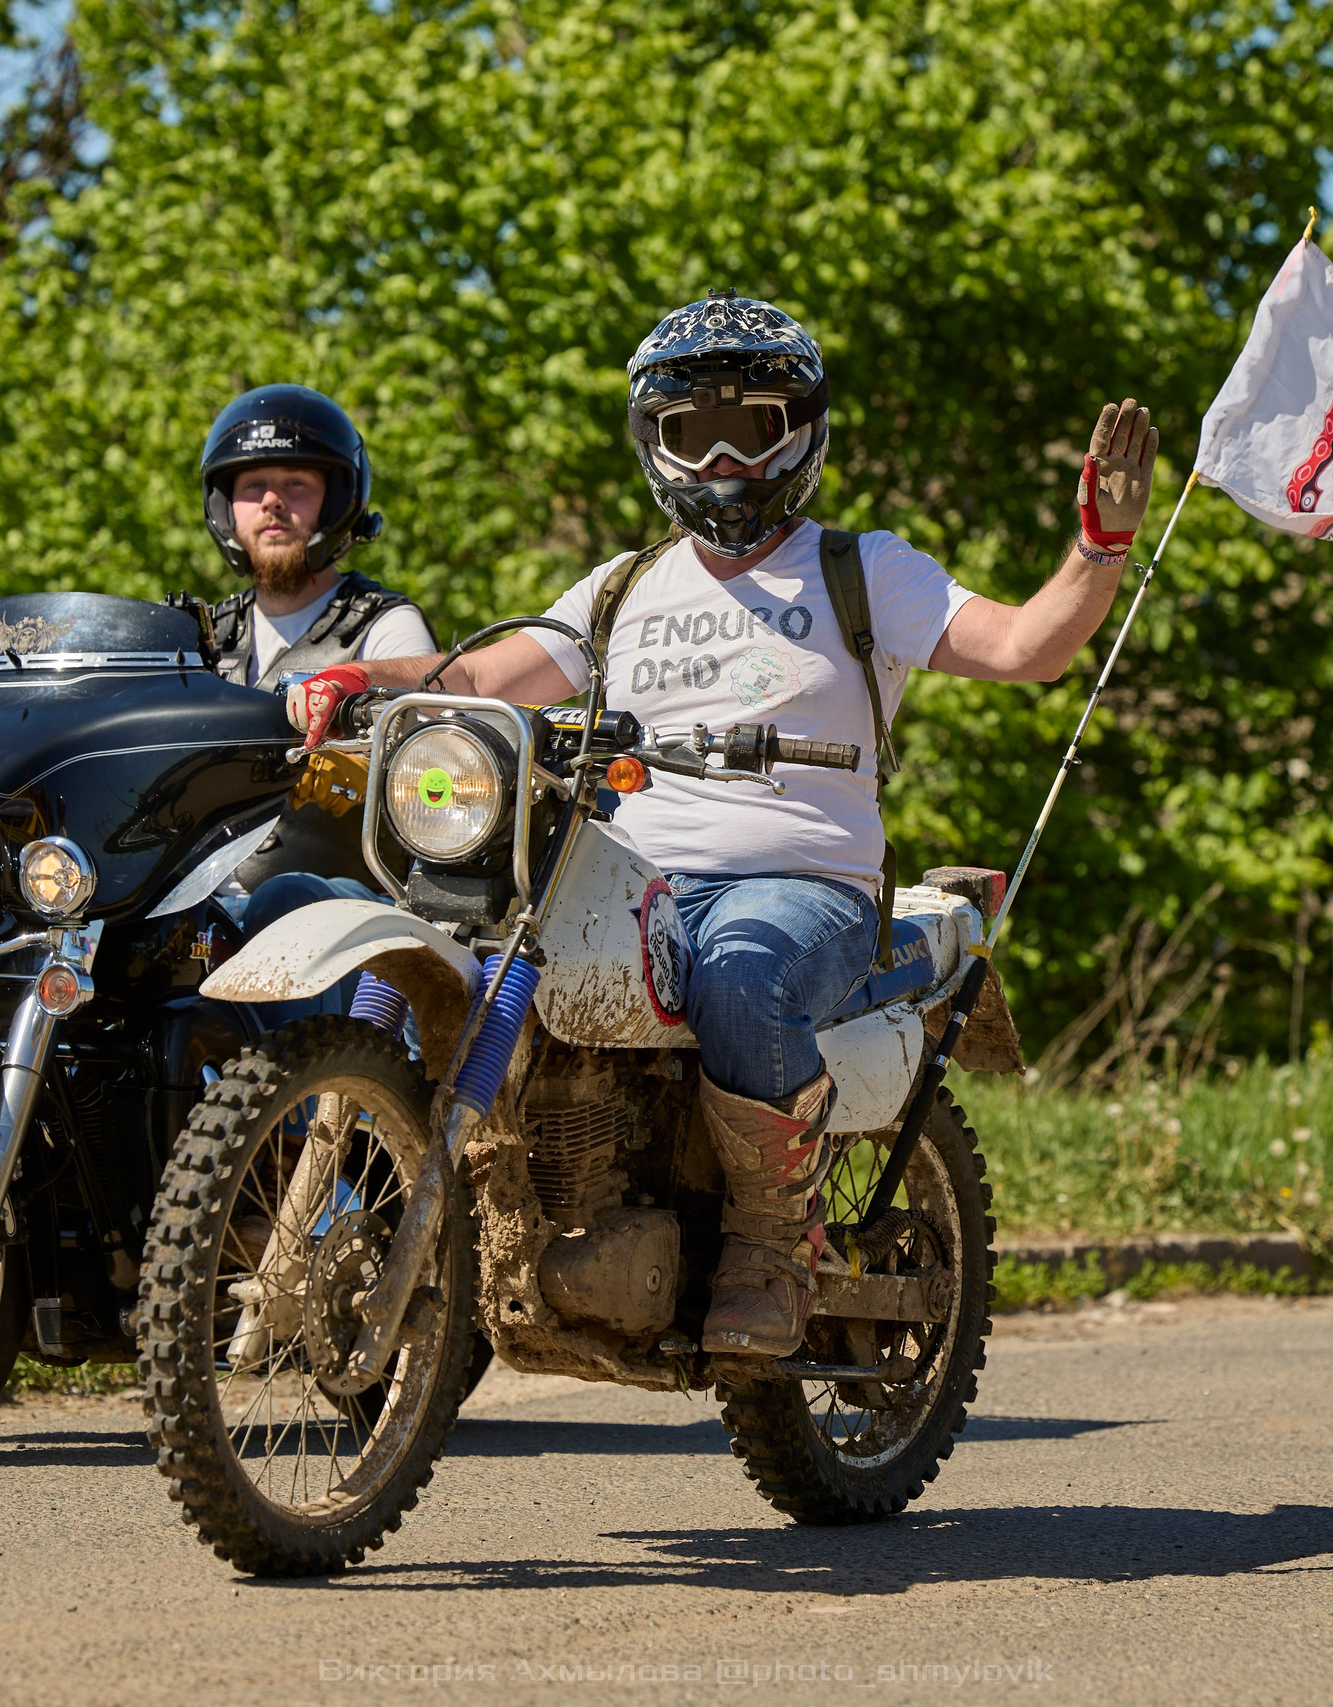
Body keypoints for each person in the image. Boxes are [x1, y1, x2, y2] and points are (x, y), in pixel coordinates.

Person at [283, 289, 1160, 1356]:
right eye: (691, 435)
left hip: (804, 886)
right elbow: (477, 675)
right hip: (625, 875)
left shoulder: (861, 569)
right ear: (652, 443)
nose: (721, 461)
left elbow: (1027, 648)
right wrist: (358, 678)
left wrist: (1098, 547)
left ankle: (770, 1245)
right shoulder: (621, 589)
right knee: (444, 937)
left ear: (801, 433)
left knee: (742, 970)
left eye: (750, 429)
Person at [197, 384, 438, 1020]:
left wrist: (359, 763)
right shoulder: (201, 640)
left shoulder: (386, 630)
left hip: (346, 913)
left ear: (336, 502)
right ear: (225, 508)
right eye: (253, 485)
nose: (272, 501)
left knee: (284, 900)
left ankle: (307, 1089)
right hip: (200, 904)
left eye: (296, 484)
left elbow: (433, 764)